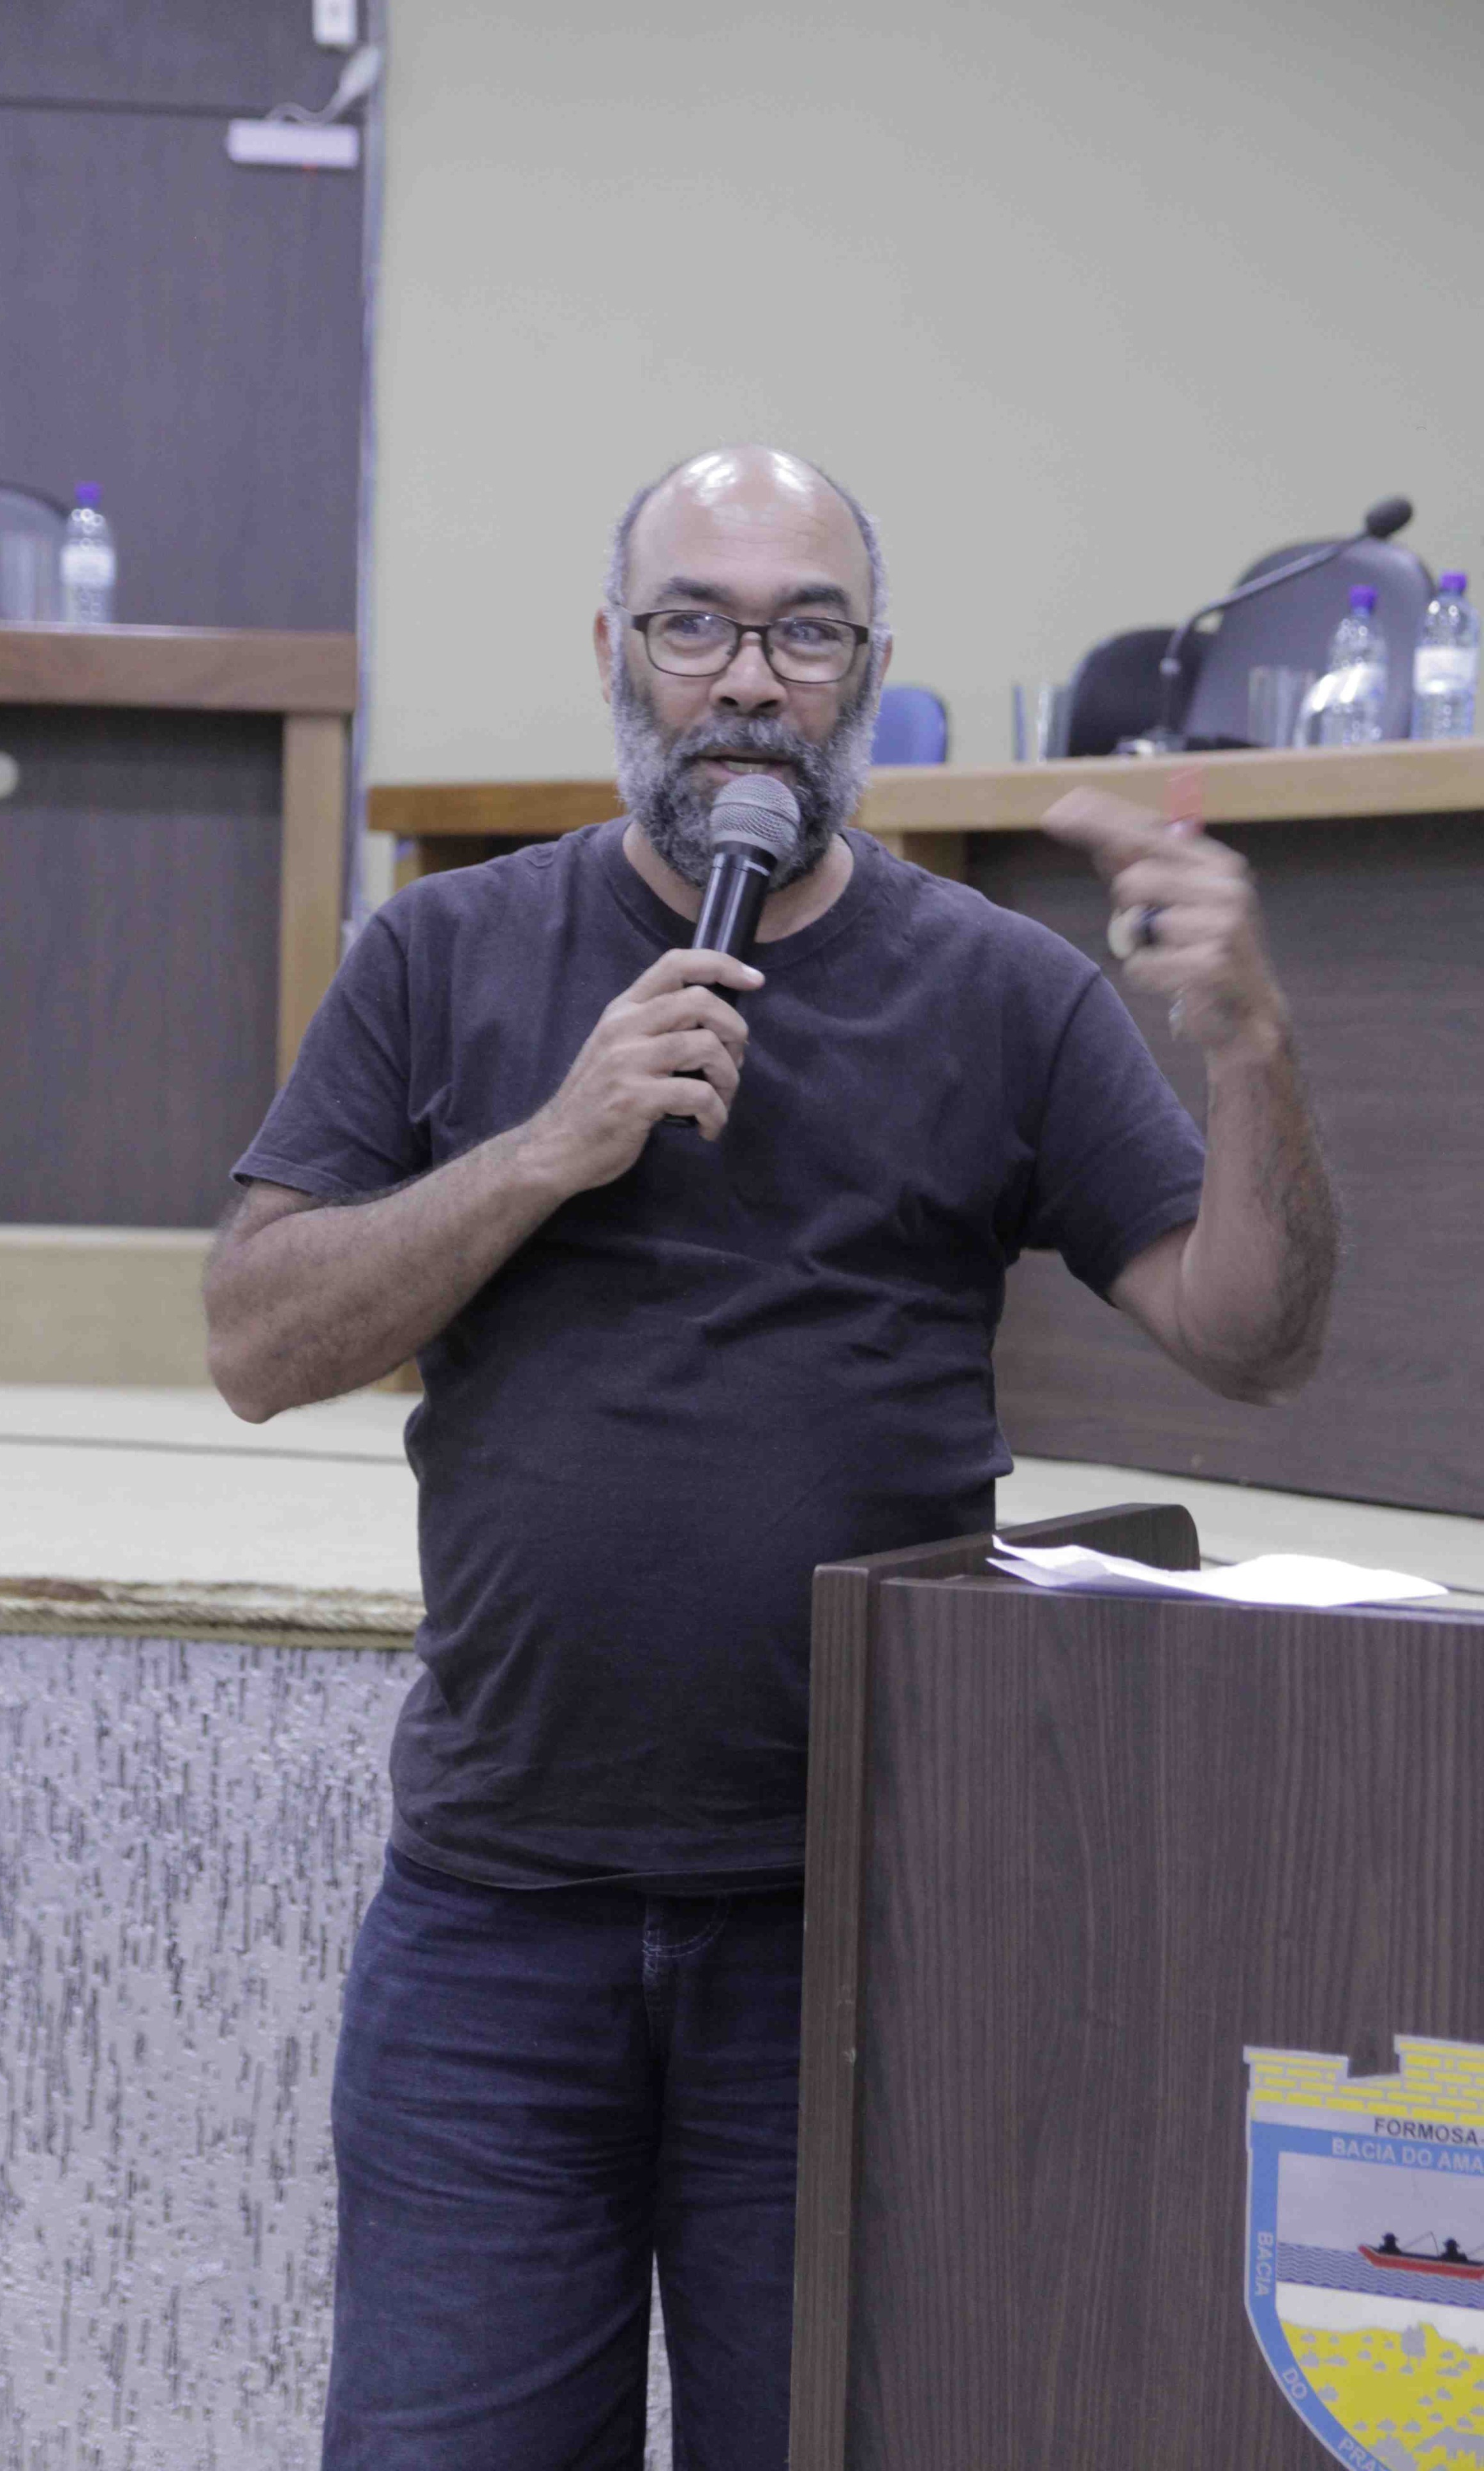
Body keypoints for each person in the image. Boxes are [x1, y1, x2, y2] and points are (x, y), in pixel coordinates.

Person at [204, 444, 1336, 2471]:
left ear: (869, 672)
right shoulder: (446, 954)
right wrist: (550, 1148)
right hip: (499, 1923)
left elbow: (1248, 1338)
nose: (747, 679)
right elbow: (256, 1345)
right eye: (697, 626)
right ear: (616, 653)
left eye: (806, 632)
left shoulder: (1000, 991)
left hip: (855, 1929)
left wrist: (1251, 1050)